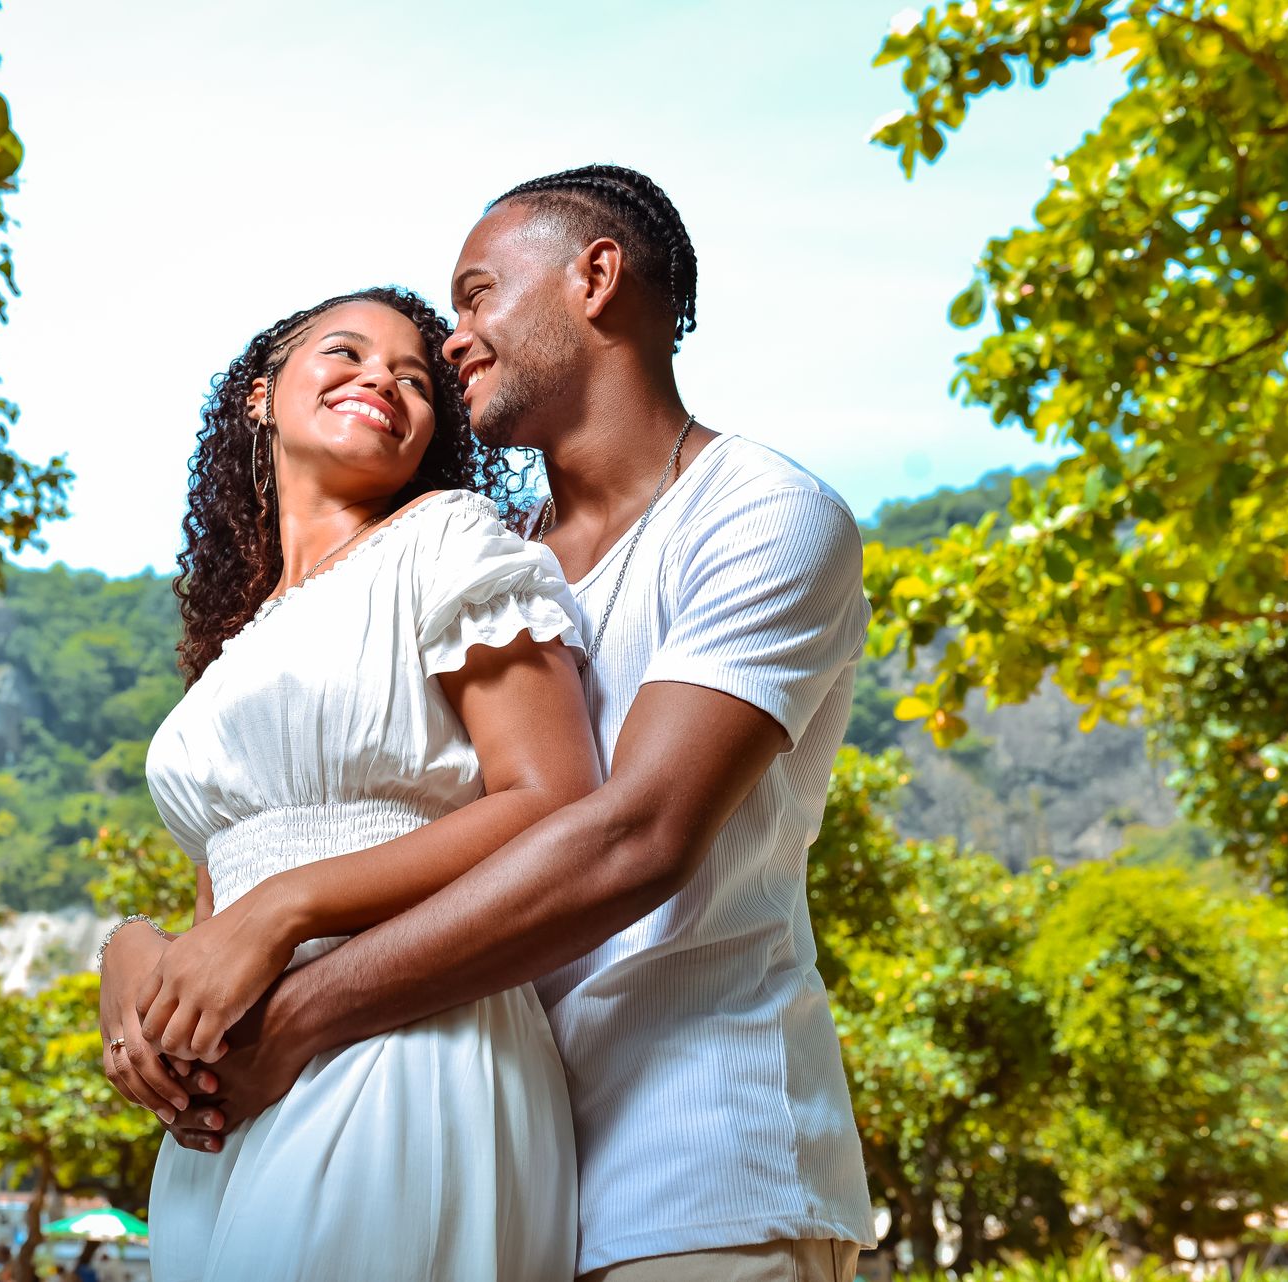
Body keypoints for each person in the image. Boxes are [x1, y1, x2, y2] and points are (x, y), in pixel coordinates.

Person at [114, 166, 881, 1282]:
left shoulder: (761, 513)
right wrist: (141, 954)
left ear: (596, 275)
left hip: (698, 1160)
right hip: (489, 1133)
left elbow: (635, 839)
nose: (454, 336)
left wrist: (299, 1008)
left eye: (475, 298)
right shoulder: (498, 556)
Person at [96, 286, 601, 1281]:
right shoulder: (237, 647)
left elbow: (553, 802)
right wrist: (135, 953)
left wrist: (288, 907)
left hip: (409, 1042)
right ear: (260, 395)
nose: (383, 377)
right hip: (235, 1096)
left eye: (416, 377)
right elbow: (224, 895)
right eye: (346, 351)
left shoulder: (448, 540)